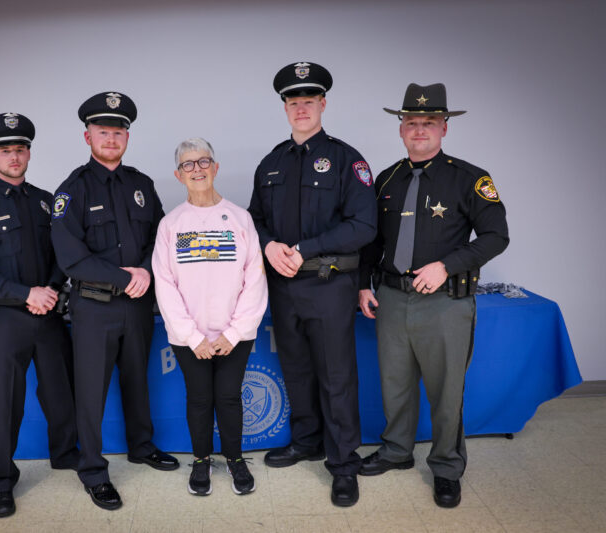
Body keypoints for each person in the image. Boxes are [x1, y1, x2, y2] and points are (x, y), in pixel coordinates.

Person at [358, 83, 509, 508]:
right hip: (391, 297)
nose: (419, 130)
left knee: (446, 391)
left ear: (444, 128)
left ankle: (445, 467)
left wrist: (447, 265)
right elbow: (372, 240)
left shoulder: (470, 178)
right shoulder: (387, 178)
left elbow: (497, 236)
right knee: (395, 384)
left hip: (445, 302)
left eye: (428, 123)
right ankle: (396, 451)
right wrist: (361, 285)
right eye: (411, 123)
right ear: (400, 130)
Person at [247, 62, 377, 507]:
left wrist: (304, 248)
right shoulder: (271, 163)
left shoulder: (347, 160)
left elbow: (363, 225)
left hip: (328, 284)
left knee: (336, 376)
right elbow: (255, 221)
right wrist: (267, 247)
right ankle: (307, 441)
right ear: (285, 107)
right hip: (283, 288)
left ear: (323, 103)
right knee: (298, 370)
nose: (300, 108)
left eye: (308, 100)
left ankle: (343, 464)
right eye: (292, 101)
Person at [50, 92, 179, 511]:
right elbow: (72, 258)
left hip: (138, 304)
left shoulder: (141, 184)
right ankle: (93, 470)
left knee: (137, 380)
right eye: (103, 131)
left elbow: (161, 237)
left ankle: (142, 447)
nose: (111, 137)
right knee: (91, 393)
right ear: (87, 136)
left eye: (118, 131)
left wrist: (144, 271)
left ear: (127, 136)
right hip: (95, 307)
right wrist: (128, 276)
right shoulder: (71, 191)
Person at [0, 113, 78, 518]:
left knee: (60, 392)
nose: (14, 156)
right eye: (5, 150)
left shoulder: (46, 201)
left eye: (20, 149)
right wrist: (27, 294)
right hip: (6, 319)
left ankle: (64, 454)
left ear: (28, 153)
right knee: (6, 402)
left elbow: (64, 255)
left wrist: (52, 291)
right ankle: (4, 479)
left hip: (49, 314)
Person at [152, 138, 268, 496]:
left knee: (230, 397)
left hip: (234, 334)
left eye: (204, 162)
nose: (197, 169)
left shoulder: (240, 218)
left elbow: (255, 278)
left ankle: (234, 458)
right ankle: (201, 459)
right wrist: (192, 336)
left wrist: (233, 333)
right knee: (200, 398)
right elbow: (165, 285)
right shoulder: (171, 224)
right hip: (191, 338)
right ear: (178, 174)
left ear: (215, 168)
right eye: (188, 164)